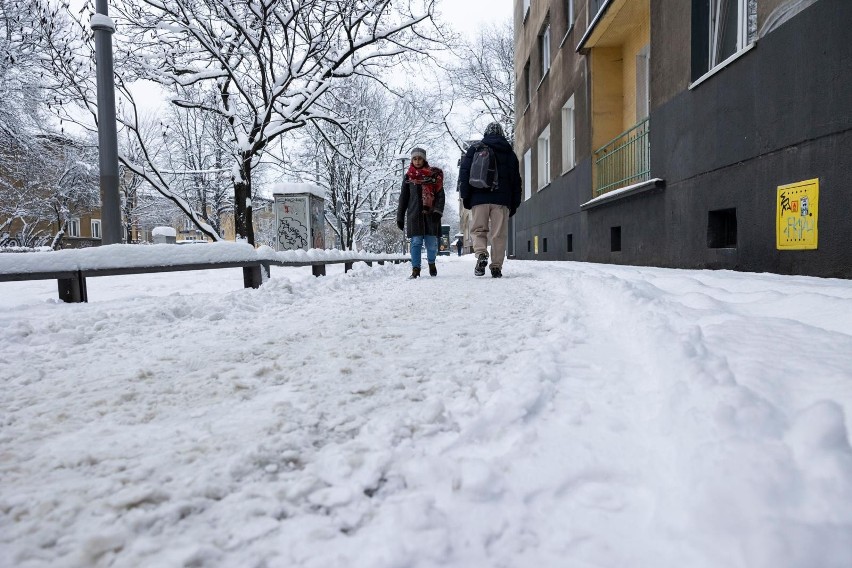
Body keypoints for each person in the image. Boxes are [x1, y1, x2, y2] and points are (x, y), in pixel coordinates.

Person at [457, 122, 522, 278]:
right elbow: (516, 181)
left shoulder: (475, 149)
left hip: (479, 198)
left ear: (486, 134)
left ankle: (481, 254)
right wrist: (514, 203)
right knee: (498, 234)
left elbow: (464, 175)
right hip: (501, 200)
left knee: (478, 230)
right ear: (501, 134)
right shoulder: (509, 153)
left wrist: (466, 197)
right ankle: (496, 267)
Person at [396, 147, 445, 278]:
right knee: (416, 242)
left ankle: (431, 263)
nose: (417, 161)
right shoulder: (408, 177)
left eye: (420, 158)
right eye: (415, 158)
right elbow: (403, 198)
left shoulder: (434, 176)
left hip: (431, 216)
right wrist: (400, 216)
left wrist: (438, 211)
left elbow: (440, 195)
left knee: (431, 243)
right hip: (414, 215)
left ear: (424, 159)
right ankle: (416, 269)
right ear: (412, 160)